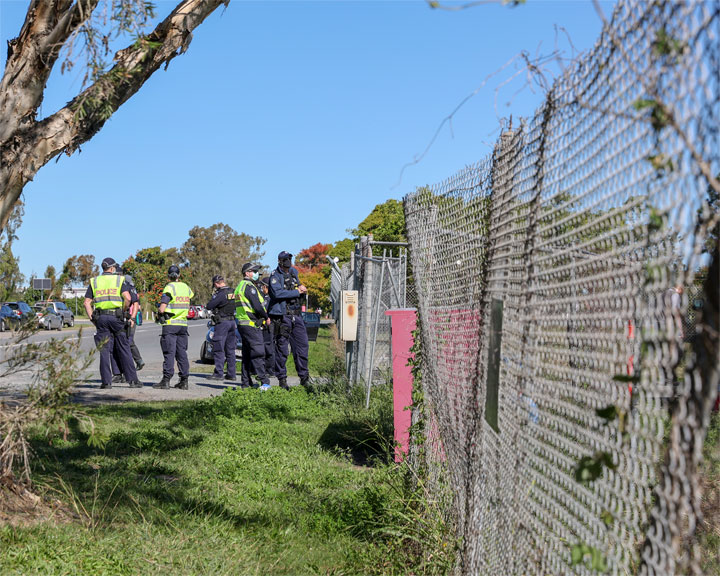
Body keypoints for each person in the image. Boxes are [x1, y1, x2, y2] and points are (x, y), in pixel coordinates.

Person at [83, 257, 142, 389]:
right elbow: (127, 298)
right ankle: (132, 381)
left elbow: (87, 302)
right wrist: (124, 310)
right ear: (111, 268)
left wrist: (93, 318)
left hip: (101, 318)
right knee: (124, 347)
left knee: (104, 350)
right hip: (116, 317)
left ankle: (106, 382)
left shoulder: (94, 281)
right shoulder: (119, 279)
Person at [268, 251, 309, 390]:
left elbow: (297, 288)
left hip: (296, 315)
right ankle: (282, 379)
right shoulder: (275, 275)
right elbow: (277, 293)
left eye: (290, 258)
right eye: (285, 259)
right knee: (282, 349)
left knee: (302, 346)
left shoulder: (294, 272)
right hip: (283, 316)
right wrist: (297, 292)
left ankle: (304, 378)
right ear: (280, 260)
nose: (288, 261)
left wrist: (302, 289)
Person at [154, 265, 194, 390]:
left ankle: (166, 380)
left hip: (170, 324)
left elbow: (162, 308)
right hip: (183, 324)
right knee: (182, 353)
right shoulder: (186, 287)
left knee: (169, 353)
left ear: (168, 275)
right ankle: (184, 380)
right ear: (179, 274)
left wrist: (159, 311)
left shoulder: (169, 287)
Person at [234, 263, 269, 389]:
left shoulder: (239, 286)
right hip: (251, 324)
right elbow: (257, 306)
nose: (256, 273)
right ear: (247, 273)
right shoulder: (249, 287)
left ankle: (246, 383)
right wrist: (266, 317)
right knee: (258, 352)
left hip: (243, 324)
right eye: (254, 271)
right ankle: (264, 382)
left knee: (247, 354)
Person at [111, 272, 144, 383]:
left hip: (128, 318)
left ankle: (128, 371)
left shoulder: (129, 287)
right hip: (121, 319)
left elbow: (135, 303)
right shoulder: (123, 287)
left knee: (127, 344)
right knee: (123, 344)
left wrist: (132, 318)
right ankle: (120, 373)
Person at [206, 274, 237, 382]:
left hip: (222, 323)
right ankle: (231, 374)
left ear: (216, 284)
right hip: (232, 322)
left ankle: (219, 373)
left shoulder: (220, 294)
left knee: (219, 348)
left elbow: (209, 305)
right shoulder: (233, 292)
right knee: (230, 349)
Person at [259, 277, 275, 379]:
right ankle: (264, 369)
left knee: (269, 348)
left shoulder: (271, 298)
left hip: (269, 325)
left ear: (266, 286)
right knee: (264, 347)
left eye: (262, 286)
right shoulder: (264, 297)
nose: (261, 288)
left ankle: (270, 370)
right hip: (263, 325)